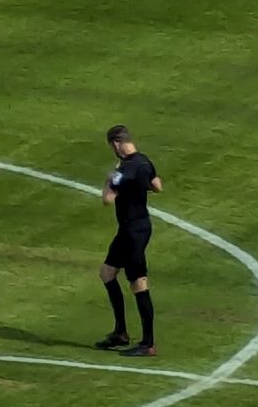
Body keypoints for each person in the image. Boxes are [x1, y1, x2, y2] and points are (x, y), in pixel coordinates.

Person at [95, 125, 161, 358]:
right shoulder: (144, 161)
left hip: (133, 232)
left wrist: (109, 179)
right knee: (107, 273)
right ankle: (121, 332)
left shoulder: (124, 169)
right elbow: (157, 186)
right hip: (136, 228)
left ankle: (148, 343)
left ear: (115, 144)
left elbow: (107, 199)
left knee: (138, 283)